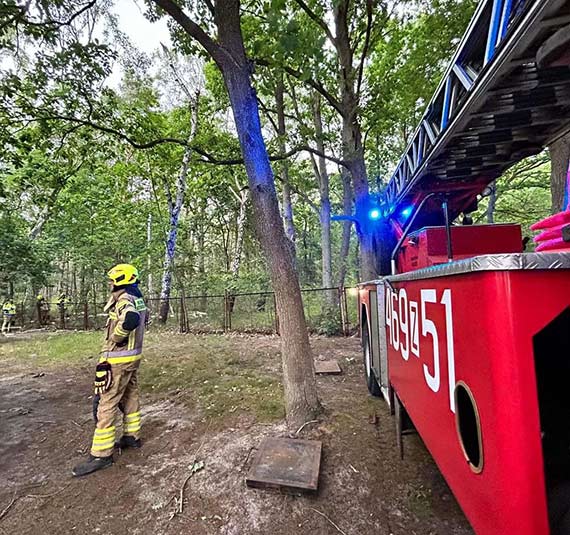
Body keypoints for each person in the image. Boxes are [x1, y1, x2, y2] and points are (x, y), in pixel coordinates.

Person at [72, 264, 147, 477]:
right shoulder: (137, 298)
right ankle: (132, 436)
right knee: (131, 397)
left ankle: (101, 455)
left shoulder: (124, 300)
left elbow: (130, 319)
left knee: (106, 403)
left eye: (112, 281)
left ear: (121, 281)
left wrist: (116, 337)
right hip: (132, 358)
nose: (110, 284)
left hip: (118, 361)